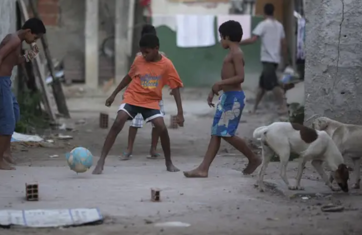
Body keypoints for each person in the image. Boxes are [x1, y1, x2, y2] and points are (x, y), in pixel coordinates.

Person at [93, 33, 184, 175]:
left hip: (151, 101)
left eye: (147, 52)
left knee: (161, 127)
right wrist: (113, 94)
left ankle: (169, 162)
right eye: (142, 52)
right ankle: (101, 161)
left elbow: (176, 88)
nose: (144, 55)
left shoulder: (167, 65)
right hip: (133, 97)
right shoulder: (139, 60)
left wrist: (180, 112)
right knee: (118, 121)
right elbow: (128, 77)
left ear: (156, 48)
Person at [184, 20, 261, 178]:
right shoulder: (231, 53)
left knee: (226, 133)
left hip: (234, 99)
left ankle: (253, 158)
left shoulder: (237, 53)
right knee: (216, 133)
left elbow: (240, 77)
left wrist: (219, 83)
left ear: (227, 36)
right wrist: (215, 90)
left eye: (221, 37)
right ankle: (203, 168)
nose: (220, 40)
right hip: (227, 97)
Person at [0, 18, 46, 170]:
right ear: (28, 31)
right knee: (7, 121)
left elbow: (13, 61)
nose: (34, 41)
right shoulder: (14, 40)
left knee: (14, 114)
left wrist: (29, 56)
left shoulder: (16, 40)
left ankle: (5, 152)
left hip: (4, 82)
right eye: (35, 37)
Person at [120, 24, 169, 161]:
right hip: (138, 95)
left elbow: (166, 73)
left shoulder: (163, 57)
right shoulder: (139, 57)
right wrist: (127, 92)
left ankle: (153, 149)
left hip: (154, 95)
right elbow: (132, 75)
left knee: (157, 123)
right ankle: (129, 149)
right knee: (135, 123)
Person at [240, 3, 289, 114]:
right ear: (273, 11)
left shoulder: (263, 25)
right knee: (262, 86)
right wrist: (285, 59)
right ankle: (254, 108)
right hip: (275, 59)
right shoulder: (279, 25)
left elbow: (253, 40)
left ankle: (283, 106)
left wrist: (238, 43)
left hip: (268, 60)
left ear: (264, 12)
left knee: (273, 84)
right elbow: (284, 43)